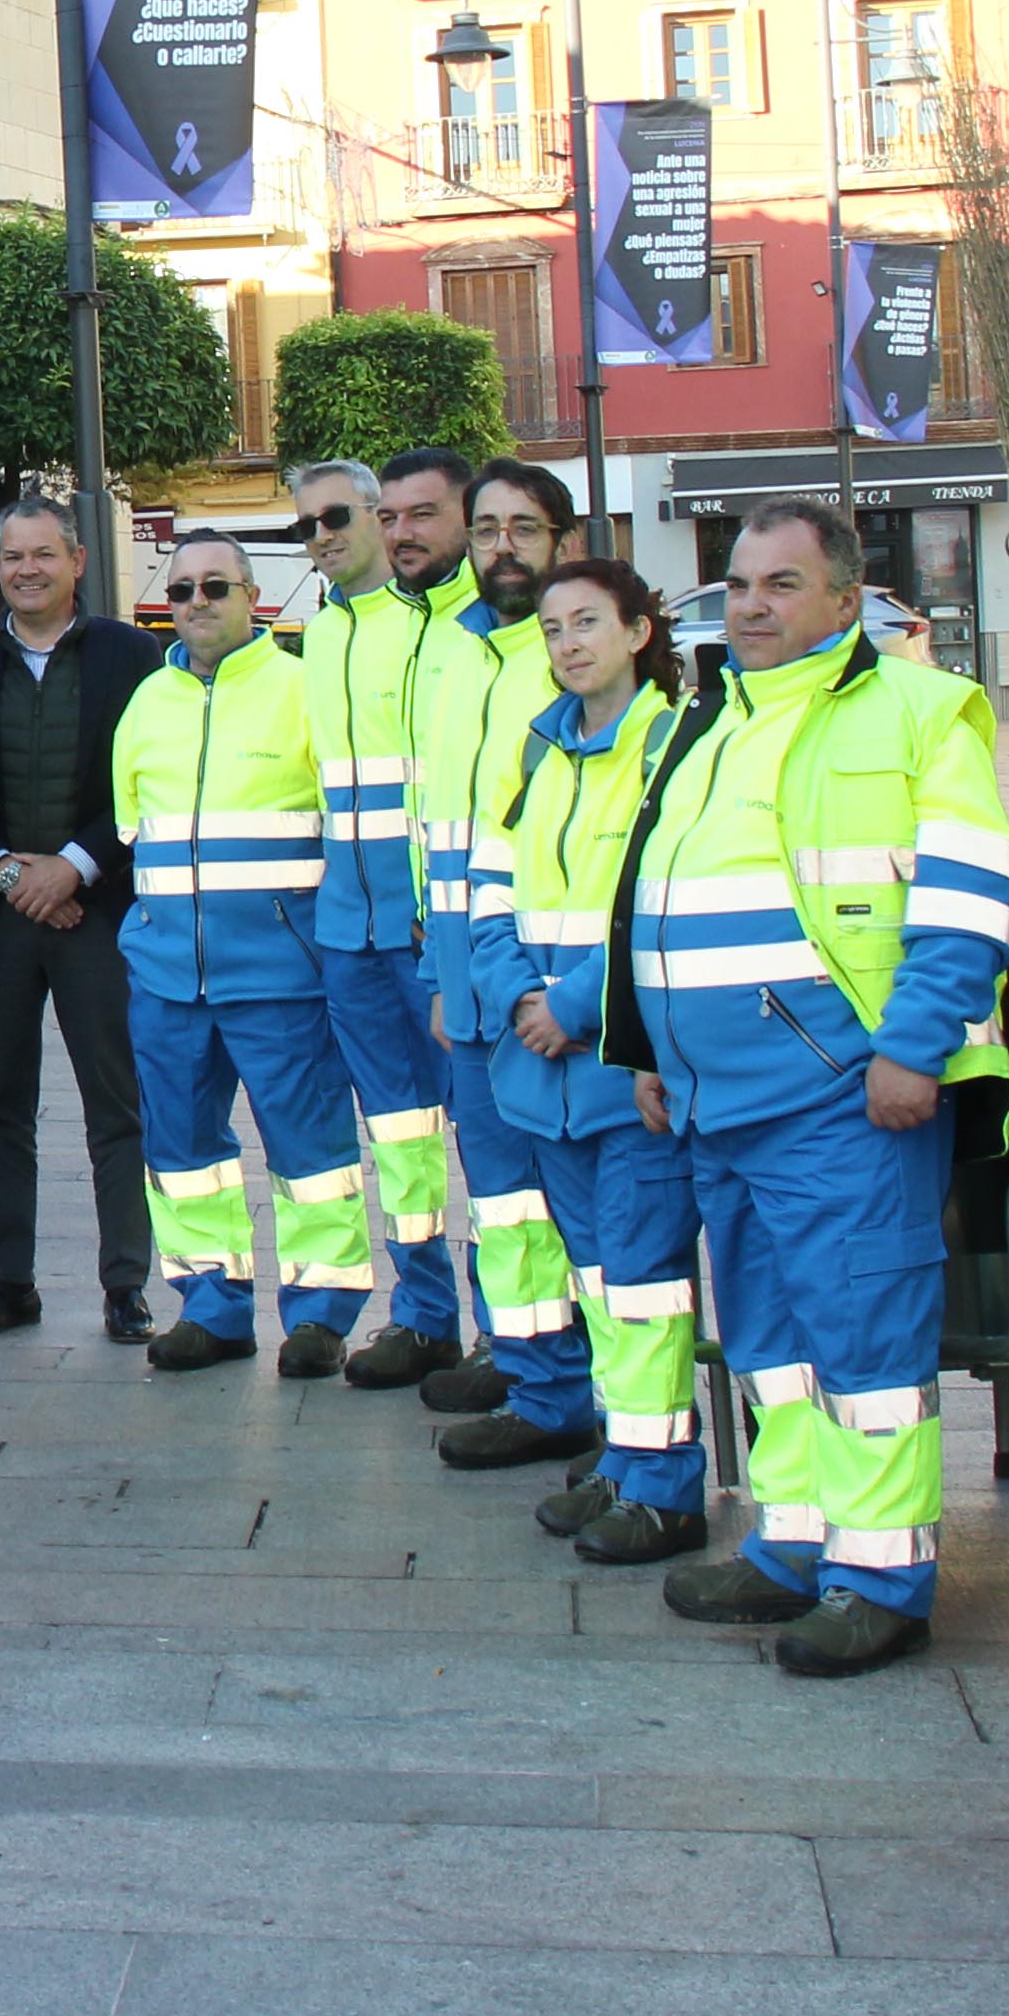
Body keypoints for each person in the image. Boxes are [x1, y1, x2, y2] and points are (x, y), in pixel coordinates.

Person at [605, 500, 1009, 1678]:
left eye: (782, 585)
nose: (750, 606)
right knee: (774, 1345)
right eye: (738, 584)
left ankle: (881, 1573)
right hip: (718, 1096)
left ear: (849, 601)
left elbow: (968, 895)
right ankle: (795, 1542)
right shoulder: (707, 722)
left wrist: (914, 1047)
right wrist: (647, 1049)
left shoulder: (922, 710)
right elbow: (658, 900)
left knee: (862, 1338)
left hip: (843, 1089)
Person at [467, 559, 706, 1557]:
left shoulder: (682, 747)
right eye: (554, 628)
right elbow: (486, 893)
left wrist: (571, 1005)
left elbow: (665, 899)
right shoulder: (537, 753)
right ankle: (623, 1458)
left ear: (640, 632)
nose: (567, 643)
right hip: (543, 1074)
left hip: (622, 1068)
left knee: (644, 1282)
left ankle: (663, 1486)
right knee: (603, 1283)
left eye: (588, 623)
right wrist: (518, 995)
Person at [0, 496, 169, 1345]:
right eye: (10, 557)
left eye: (43, 555)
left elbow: (151, 782)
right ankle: (11, 1280)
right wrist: (6, 869)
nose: (25, 570)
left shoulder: (135, 659)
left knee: (117, 1103)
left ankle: (125, 1284)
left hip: (98, 912)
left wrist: (76, 865)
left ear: (77, 563)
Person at [114, 531, 359, 1369]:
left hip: (280, 971)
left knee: (310, 1150)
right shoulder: (147, 701)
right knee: (182, 1155)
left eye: (215, 587)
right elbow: (130, 827)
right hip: (168, 975)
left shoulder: (303, 691)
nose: (197, 604)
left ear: (255, 596)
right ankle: (211, 1308)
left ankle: (323, 1313)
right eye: (180, 591)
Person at [284, 453, 475, 1385]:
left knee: (489, 1133)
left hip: (432, 928)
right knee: (398, 1135)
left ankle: (529, 1336)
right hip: (350, 930)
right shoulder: (320, 638)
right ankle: (427, 1314)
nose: (323, 539)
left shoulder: (447, 623)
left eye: (336, 518)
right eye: (306, 527)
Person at [406, 462, 574, 1420]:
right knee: (504, 1197)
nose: (501, 547)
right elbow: (443, 829)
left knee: (569, 1203)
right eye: (486, 529)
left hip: (547, 979)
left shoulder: (565, 651)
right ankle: (524, 1361)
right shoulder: (456, 654)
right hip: (470, 975)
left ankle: (570, 1385)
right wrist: (439, 971)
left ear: (562, 541)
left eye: (523, 528)